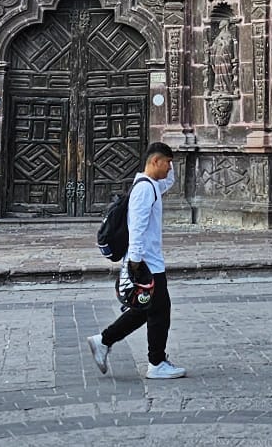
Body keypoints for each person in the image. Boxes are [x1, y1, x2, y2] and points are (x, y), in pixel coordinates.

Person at [85, 143, 187, 379]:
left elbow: (170, 180)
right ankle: (156, 363)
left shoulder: (151, 185)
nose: (169, 167)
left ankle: (103, 341)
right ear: (155, 162)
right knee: (159, 312)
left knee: (146, 309)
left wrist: (171, 150)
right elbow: (137, 228)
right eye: (167, 162)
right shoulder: (144, 189)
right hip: (146, 262)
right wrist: (135, 262)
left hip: (149, 260)